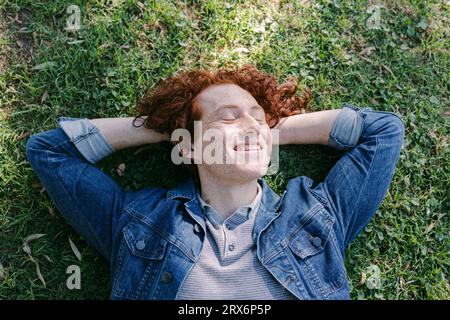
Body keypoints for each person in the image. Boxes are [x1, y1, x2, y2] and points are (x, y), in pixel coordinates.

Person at [25, 65, 404, 300]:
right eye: (229, 116)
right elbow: (49, 151)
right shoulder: (140, 220)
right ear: (188, 149)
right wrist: (166, 130)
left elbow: (384, 131)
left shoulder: (315, 215)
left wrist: (267, 130)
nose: (253, 123)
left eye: (258, 116)